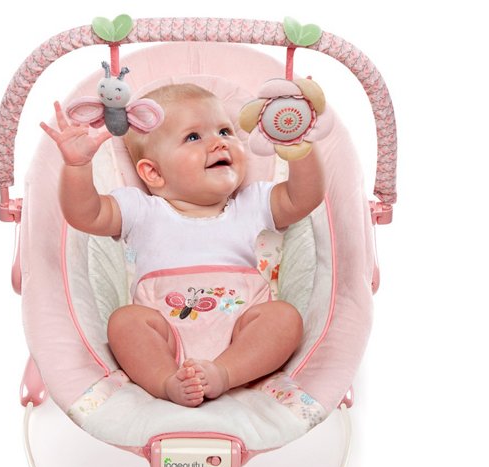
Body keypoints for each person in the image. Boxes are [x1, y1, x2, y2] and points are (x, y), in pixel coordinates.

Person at [41, 83, 325, 407]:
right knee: (124, 321)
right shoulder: (141, 210)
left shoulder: (252, 203)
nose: (219, 142)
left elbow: (305, 197)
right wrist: (77, 167)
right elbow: (85, 215)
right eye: (193, 137)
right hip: (165, 337)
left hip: (243, 333)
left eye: (225, 131)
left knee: (284, 317)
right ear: (153, 173)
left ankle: (224, 373)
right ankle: (167, 381)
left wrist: (298, 145)